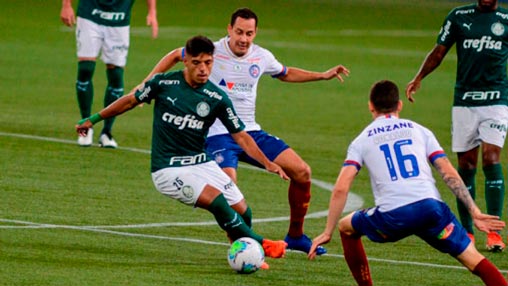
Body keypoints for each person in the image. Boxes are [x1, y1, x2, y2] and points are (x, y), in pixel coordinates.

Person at [139, 7, 350, 255]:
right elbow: (176, 55)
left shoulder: (261, 56)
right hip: (218, 135)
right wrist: (147, 83)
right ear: (229, 30)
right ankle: (240, 250)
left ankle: (295, 236)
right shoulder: (211, 52)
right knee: (230, 192)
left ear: (255, 33)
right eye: (239, 32)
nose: (243, 38)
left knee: (302, 172)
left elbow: (285, 73)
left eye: (249, 33)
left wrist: (322, 76)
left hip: (250, 133)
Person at [75, 35, 289, 262]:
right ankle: (262, 245)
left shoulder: (217, 98)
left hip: (201, 162)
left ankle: (247, 256)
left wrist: (268, 163)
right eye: (197, 63)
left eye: (208, 62)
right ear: (185, 60)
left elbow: (242, 136)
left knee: (243, 210)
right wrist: (94, 118)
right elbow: (129, 101)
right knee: (217, 201)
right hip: (168, 169)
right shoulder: (163, 84)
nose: (203, 69)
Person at [308, 80, 507, 286]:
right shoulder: (420, 131)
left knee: (346, 227)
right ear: (399, 105)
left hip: (394, 217)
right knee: (474, 259)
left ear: (370, 106)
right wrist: (474, 211)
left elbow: (341, 186)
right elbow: (448, 172)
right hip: (431, 210)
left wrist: (327, 231)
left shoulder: (362, 140)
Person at [406, 0, 508, 252]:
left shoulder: (505, 20)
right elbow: (439, 51)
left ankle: (494, 233)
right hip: (464, 101)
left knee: (491, 158)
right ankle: (468, 232)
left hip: (496, 100)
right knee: (466, 165)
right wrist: (419, 77)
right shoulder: (458, 16)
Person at [61, 0, 159, 148]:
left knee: (116, 75)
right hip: (90, 14)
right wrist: (66, 6)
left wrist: (152, 12)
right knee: (85, 69)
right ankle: (85, 127)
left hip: (119, 20)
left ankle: (107, 132)